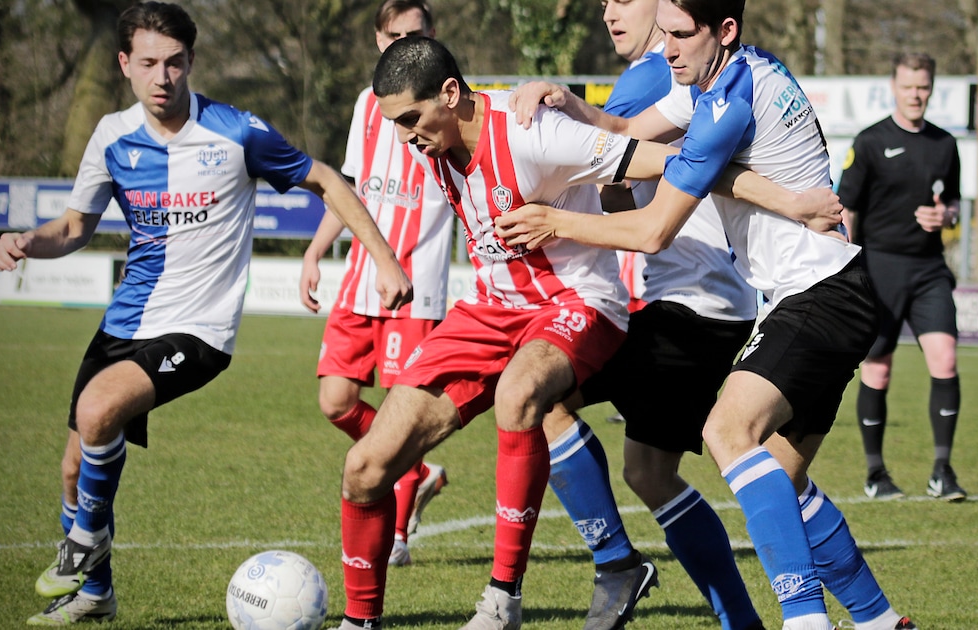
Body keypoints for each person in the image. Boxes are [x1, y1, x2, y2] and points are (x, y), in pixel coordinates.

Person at [334, 35, 831, 630]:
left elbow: (680, 163)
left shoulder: (531, 133)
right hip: (491, 310)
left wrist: (788, 202)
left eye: (411, 118)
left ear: (449, 92)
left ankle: (502, 601)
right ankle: (359, 622)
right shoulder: (432, 144)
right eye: (394, 124)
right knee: (365, 467)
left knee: (528, 398)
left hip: (580, 304)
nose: (405, 135)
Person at [0, 2, 412, 625]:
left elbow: (326, 178)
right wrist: (27, 239)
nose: (163, 76)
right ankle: (95, 594)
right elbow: (76, 226)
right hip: (124, 323)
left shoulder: (235, 131)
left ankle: (84, 543)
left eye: (176, 63)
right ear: (125, 64)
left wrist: (383, 259)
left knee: (98, 408)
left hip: (199, 330)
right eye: (150, 63)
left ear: (191, 63)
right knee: (76, 463)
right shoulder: (112, 136)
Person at [498, 1, 918, 628]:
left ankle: (805, 622)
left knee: (729, 433)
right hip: (828, 292)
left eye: (681, 34)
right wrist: (569, 102)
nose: (666, 48)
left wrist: (555, 220)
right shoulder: (728, 75)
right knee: (783, 482)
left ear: (724, 31)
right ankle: (881, 621)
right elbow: (629, 135)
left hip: (819, 292)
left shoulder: (725, 102)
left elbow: (652, 230)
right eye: (663, 32)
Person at [540, 0, 769, 628]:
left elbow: (601, 159)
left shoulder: (652, 72)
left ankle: (620, 564)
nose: (611, 10)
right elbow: (615, 162)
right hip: (688, 303)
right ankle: (731, 615)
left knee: (543, 397)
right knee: (646, 468)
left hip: (693, 306)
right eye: (605, 0)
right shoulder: (663, 74)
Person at [299, 0, 452, 569]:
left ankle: (398, 535)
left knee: (402, 414)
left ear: (432, 37)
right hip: (359, 280)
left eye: (415, 35)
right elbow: (352, 189)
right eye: (394, 35)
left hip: (415, 288)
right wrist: (316, 251)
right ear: (377, 38)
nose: (403, 44)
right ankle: (416, 469)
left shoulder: (449, 105)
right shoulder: (368, 104)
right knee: (335, 400)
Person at [836, 52, 966, 503]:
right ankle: (876, 474)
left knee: (945, 360)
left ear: (932, 88)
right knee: (878, 368)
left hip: (930, 269)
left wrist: (945, 215)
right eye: (909, 86)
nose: (916, 94)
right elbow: (846, 205)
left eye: (924, 86)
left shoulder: (945, 144)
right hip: (880, 267)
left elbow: (954, 203)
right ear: (894, 87)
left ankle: (942, 472)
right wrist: (845, 263)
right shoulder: (871, 142)